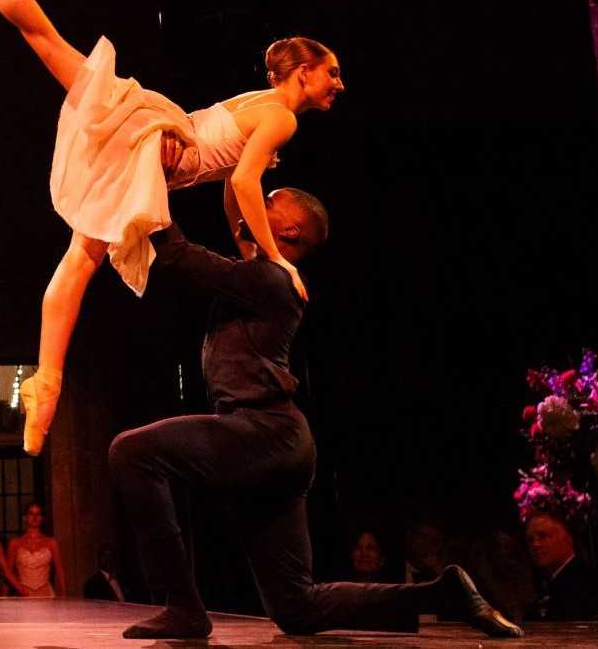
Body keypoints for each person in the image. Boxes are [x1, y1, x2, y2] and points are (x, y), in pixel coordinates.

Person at [0, 0, 341, 454]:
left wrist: (251, 257)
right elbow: (244, 185)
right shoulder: (281, 118)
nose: (338, 83)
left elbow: (235, 195)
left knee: (45, 41)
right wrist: (278, 262)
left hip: (151, 128)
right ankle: (44, 391)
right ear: (303, 73)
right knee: (81, 260)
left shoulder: (260, 104)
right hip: (155, 146)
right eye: (331, 72)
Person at [105, 192, 522, 640]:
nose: (256, 203)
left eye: (269, 200)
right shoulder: (260, 272)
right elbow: (234, 199)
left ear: (289, 231)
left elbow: (177, 257)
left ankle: (182, 605)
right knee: (296, 607)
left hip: (261, 431)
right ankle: (443, 595)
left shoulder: (272, 280)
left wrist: (146, 181)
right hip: (276, 444)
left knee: (132, 452)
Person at [523, 511, 598, 621]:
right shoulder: (542, 585)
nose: (535, 544)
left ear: (567, 540)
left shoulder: (589, 585)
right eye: (530, 539)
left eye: (543, 536)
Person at [8, 502, 61, 597]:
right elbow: (8, 573)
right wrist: (4, 598)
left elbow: (59, 571)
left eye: (38, 514)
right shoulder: (15, 543)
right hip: (23, 593)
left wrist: (64, 595)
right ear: (25, 517)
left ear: (42, 518)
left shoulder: (51, 542)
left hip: (45, 593)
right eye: (31, 513)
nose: (35, 517)